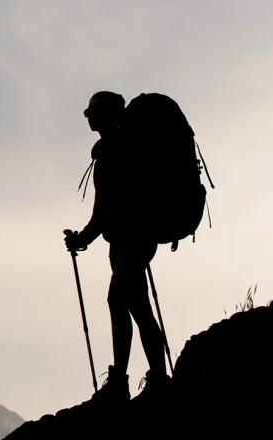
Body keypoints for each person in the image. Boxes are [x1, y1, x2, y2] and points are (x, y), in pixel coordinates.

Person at [65, 91, 171, 403]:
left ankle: (122, 382)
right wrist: (85, 237)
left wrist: (82, 239)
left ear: (106, 113)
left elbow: (105, 209)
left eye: (92, 112)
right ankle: (155, 377)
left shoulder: (114, 149)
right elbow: (107, 209)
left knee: (118, 300)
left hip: (131, 240)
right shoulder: (126, 146)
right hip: (134, 239)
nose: (89, 117)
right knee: (137, 306)